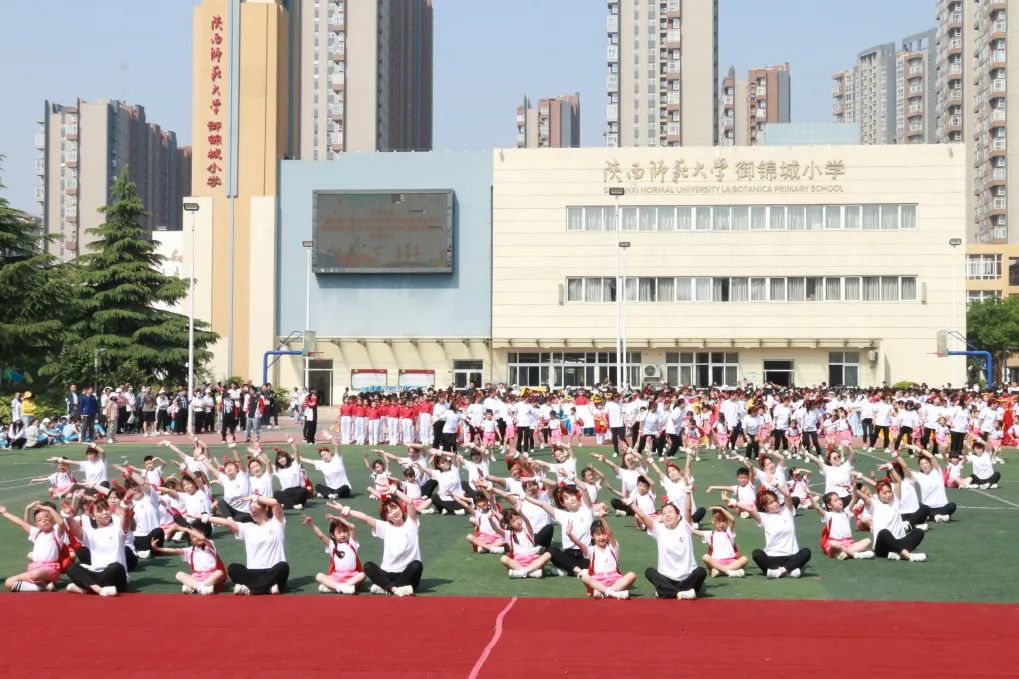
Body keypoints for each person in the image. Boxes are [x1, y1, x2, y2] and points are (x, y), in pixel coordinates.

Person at [330, 490, 423, 597]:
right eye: (389, 511)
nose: (394, 512)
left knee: (417, 565)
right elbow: (365, 518)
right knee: (368, 566)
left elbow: (410, 502)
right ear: (387, 517)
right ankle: (395, 589)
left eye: (394, 507)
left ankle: (387, 588)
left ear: (401, 508)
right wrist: (344, 509)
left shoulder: (411, 523)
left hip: (407, 575)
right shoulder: (385, 527)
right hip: (387, 574)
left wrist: (395, 490)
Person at [205, 494, 290, 595]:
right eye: (251, 508)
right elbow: (227, 522)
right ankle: (267, 587)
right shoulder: (248, 528)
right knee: (233, 568)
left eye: (255, 506)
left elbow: (274, 503)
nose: (252, 509)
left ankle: (251, 589)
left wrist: (254, 497)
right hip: (253, 573)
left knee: (283, 567)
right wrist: (205, 517)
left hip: (272, 571)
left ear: (266, 508)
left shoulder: (276, 523)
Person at [633, 487, 706, 599]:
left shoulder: (685, 526)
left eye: (670, 512)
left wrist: (687, 493)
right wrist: (631, 504)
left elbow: (688, 510)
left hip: (687, 577)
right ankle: (680, 593)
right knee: (649, 572)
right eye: (664, 513)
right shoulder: (659, 529)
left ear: (678, 516)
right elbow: (643, 516)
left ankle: (666, 592)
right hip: (667, 578)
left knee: (701, 572)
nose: (667, 515)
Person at [64, 492, 133, 596]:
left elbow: (125, 521)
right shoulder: (90, 532)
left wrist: (127, 510)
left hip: (116, 576)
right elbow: (75, 530)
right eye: (100, 511)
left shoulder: (117, 527)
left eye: (106, 509)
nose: (105, 512)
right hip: (97, 573)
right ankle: (98, 590)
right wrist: (68, 516)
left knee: (116, 567)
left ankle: (86, 587)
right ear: (92, 516)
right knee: (72, 568)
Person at [737, 485, 812, 579]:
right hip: (772, 558)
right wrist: (733, 502)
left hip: (791, 556)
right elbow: (750, 509)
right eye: (771, 503)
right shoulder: (763, 517)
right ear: (765, 507)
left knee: (806, 552)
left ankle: (779, 572)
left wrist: (777, 485)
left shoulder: (787, 511)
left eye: (775, 500)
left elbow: (787, 495)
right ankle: (790, 570)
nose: (775, 504)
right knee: (757, 553)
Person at [856, 473, 927, 562]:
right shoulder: (874, 504)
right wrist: (853, 486)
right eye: (884, 493)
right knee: (883, 533)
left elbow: (898, 481)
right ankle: (907, 555)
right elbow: (862, 495)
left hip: (898, 542)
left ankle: (898, 552)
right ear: (878, 494)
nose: (888, 495)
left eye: (889, 491)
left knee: (919, 532)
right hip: (882, 546)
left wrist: (891, 468)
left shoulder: (896, 501)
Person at [0, 501, 66, 592]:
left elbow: (61, 523)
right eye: (40, 520)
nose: (44, 520)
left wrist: (49, 509)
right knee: (9, 582)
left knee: (35, 574)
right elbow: (21, 523)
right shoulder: (37, 533)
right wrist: (4, 513)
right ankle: (42, 586)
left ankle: (44, 582)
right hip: (35, 568)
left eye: (47, 516)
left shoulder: (57, 534)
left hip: (52, 570)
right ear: (37, 525)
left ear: (52, 518)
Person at [149, 524, 226, 594]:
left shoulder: (209, 545)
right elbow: (176, 550)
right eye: (193, 537)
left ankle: (195, 587)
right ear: (191, 541)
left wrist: (185, 529)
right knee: (179, 574)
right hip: (196, 578)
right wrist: (158, 549)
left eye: (197, 535)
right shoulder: (189, 551)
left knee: (220, 573)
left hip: (211, 577)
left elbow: (203, 538)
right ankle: (201, 588)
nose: (196, 538)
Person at [571, 518, 636, 599]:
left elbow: (610, 534)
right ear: (592, 536)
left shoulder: (613, 547)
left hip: (614, 581)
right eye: (598, 534)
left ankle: (604, 593)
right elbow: (579, 544)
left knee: (631, 575)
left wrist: (602, 518)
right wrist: (569, 534)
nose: (602, 537)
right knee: (585, 577)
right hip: (598, 581)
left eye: (604, 534)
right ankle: (614, 593)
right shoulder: (591, 550)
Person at [304, 515, 365, 594]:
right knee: (319, 576)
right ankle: (343, 588)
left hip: (352, 577)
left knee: (362, 575)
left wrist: (340, 519)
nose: (343, 534)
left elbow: (352, 527)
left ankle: (336, 588)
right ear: (333, 535)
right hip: (336, 577)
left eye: (345, 531)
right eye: (339, 532)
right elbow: (321, 536)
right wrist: (311, 524)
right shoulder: (332, 546)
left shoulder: (352, 543)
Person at [693, 506, 749, 577]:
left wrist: (721, 509)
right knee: (705, 557)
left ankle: (721, 571)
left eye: (724, 521)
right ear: (713, 520)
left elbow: (733, 520)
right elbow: (693, 531)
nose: (722, 523)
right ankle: (729, 571)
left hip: (731, 561)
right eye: (719, 520)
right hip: (716, 562)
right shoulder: (710, 534)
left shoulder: (729, 532)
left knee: (744, 559)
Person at [497, 507, 551, 578]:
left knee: (548, 555)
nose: (517, 521)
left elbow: (527, 522)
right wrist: (490, 519)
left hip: (533, 561)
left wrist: (521, 513)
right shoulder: (509, 534)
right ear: (509, 525)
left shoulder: (528, 531)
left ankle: (523, 572)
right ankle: (532, 573)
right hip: (518, 563)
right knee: (503, 558)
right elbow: (496, 529)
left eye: (518, 518)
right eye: (514, 521)